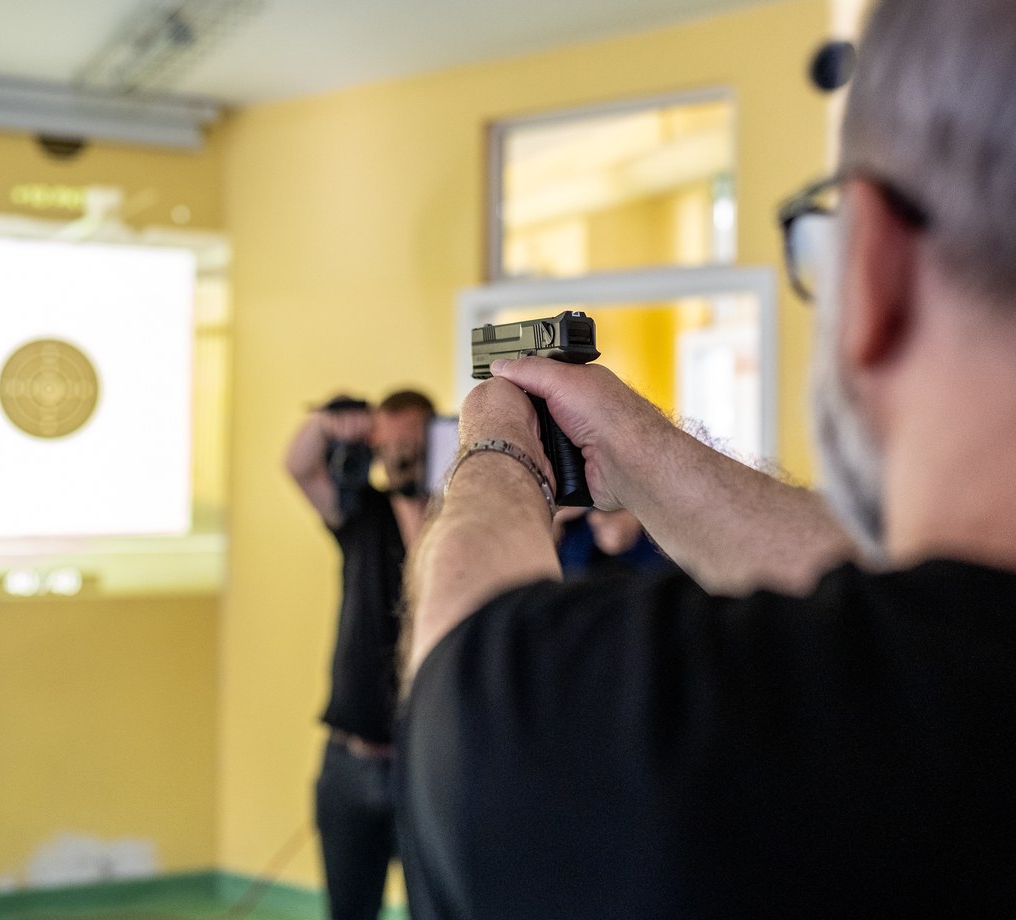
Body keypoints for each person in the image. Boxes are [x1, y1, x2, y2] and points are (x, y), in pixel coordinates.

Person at [397, 0, 1016, 916]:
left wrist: (496, 446)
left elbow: (463, 682)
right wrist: (641, 449)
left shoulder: (693, 739)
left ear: (870, 264)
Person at [285, 388, 435, 920]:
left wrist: (409, 490)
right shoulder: (361, 515)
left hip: (425, 761)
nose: (399, 453)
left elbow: (427, 570)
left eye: (411, 441)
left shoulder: (451, 523)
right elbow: (298, 467)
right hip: (349, 759)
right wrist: (332, 423)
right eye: (388, 442)